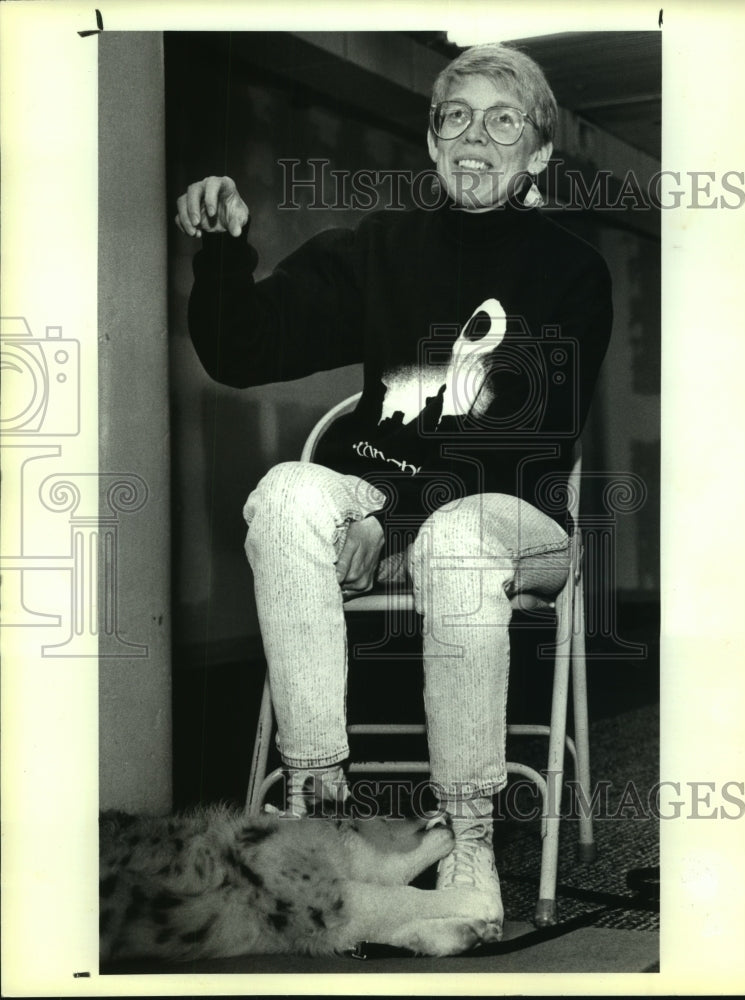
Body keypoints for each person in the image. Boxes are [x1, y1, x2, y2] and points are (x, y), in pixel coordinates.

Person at [175, 42, 613, 936]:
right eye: (456, 117)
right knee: (287, 492)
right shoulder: (381, 249)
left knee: (453, 538)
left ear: (536, 152)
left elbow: (527, 439)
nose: (476, 137)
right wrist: (223, 251)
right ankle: (319, 800)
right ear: (431, 141)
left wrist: (400, 519)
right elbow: (241, 349)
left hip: (516, 515)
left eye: (503, 120)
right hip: (391, 505)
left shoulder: (572, 270)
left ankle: (469, 842)